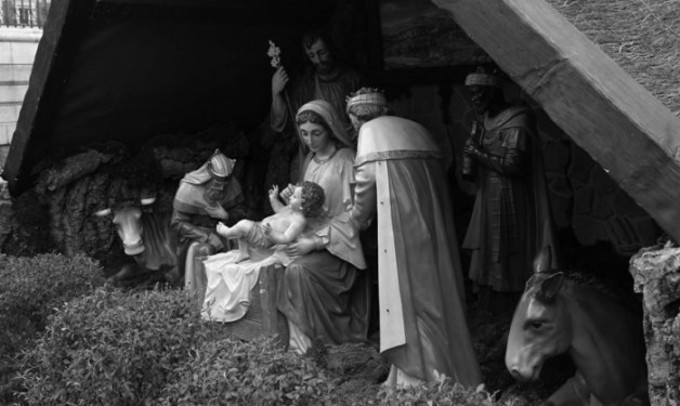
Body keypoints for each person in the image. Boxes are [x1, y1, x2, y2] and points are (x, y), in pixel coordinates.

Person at [331, 87, 482, 388]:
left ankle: (419, 378)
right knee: (436, 300)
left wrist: (354, 219)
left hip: (400, 235)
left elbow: (365, 186)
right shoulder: (416, 130)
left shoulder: (371, 134)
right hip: (433, 232)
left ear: (357, 118)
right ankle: (417, 372)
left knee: (409, 303)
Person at [274, 99, 370, 355]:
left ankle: (320, 344)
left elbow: (359, 218)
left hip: (339, 249)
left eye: (316, 133)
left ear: (330, 129)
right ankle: (297, 343)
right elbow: (308, 207)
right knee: (274, 261)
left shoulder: (346, 160)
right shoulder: (309, 162)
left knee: (297, 271)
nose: (310, 140)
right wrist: (292, 202)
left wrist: (316, 242)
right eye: (304, 134)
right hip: (311, 239)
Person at [461, 67, 559, 314]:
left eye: (479, 93)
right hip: (489, 195)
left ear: (493, 92)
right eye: (471, 94)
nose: (474, 100)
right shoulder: (482, 121)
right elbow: (471, 171)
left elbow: (514, 165)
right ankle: (490, 307)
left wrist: (476, 153)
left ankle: (513, 308)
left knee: (509, 251)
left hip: (512, 195)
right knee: (490, 251)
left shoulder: (517, 118)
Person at [269, 28, 362, 184]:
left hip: (345, 151)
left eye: (322, 52)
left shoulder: (351, 79)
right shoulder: (305, 85)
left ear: (331, 49)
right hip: (315, 155)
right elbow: (282, 123)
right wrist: (276, 93)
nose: (318, 60)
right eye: (312, 56)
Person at [171, 149, 247, 297]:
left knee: (243, 247)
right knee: (205, 251)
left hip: (226, 231)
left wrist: (226, 215)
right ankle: (202, 297)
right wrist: (207, 237)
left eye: (225, 184)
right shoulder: (189, 188)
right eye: (216, 183)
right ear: (206, 177)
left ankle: (235, 296)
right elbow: (177, 223)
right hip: (196, 236)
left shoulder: (231, 184)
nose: (221, 188)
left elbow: (242, 213)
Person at [215, 181, 325, 261]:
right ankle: (244, 253)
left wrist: (272, 233)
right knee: (243, 233)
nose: (290, 197)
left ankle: (227, 233)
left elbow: (286, 238)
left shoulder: (299, 221)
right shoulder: (291, 209)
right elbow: (279, 210)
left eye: (295, 196)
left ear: (303, 206)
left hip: (265, 237)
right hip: (261, 228)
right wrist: (273, 199)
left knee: (243, 225)